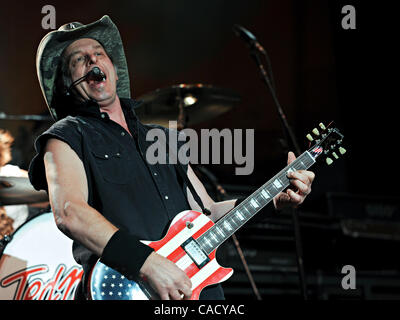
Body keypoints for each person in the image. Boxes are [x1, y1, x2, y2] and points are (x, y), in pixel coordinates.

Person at [28, 15, 315, 300]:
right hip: (125, 289)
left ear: (114, 72)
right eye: (79, 59)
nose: (92, 61)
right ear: (68, 84)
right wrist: (148, 264)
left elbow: (208, 213)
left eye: (99, 54)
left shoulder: (163, 138)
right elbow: (69, 212)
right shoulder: (66, 135)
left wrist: (274, 198)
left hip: (196, 288)